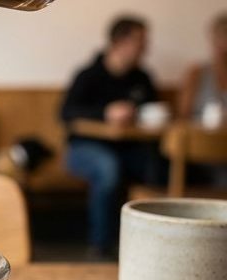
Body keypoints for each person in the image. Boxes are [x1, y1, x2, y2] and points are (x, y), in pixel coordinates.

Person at [60, 16, 164, 256]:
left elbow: (152, 111)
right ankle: (100, 246)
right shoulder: (88, 75)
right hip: (84, 148)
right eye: (140, 41)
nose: (145, 47)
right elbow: (66, 113)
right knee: (108, 167)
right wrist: (105, 112)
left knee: (157, 164)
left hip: (129, 148)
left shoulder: (143, 78)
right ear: (119, 42)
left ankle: (150, 244)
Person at [179, 13, 227, 121]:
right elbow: (183, 115)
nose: (224, 47)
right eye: (220, 40)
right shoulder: (196, 73)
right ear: (212, 41)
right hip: (201, 135)